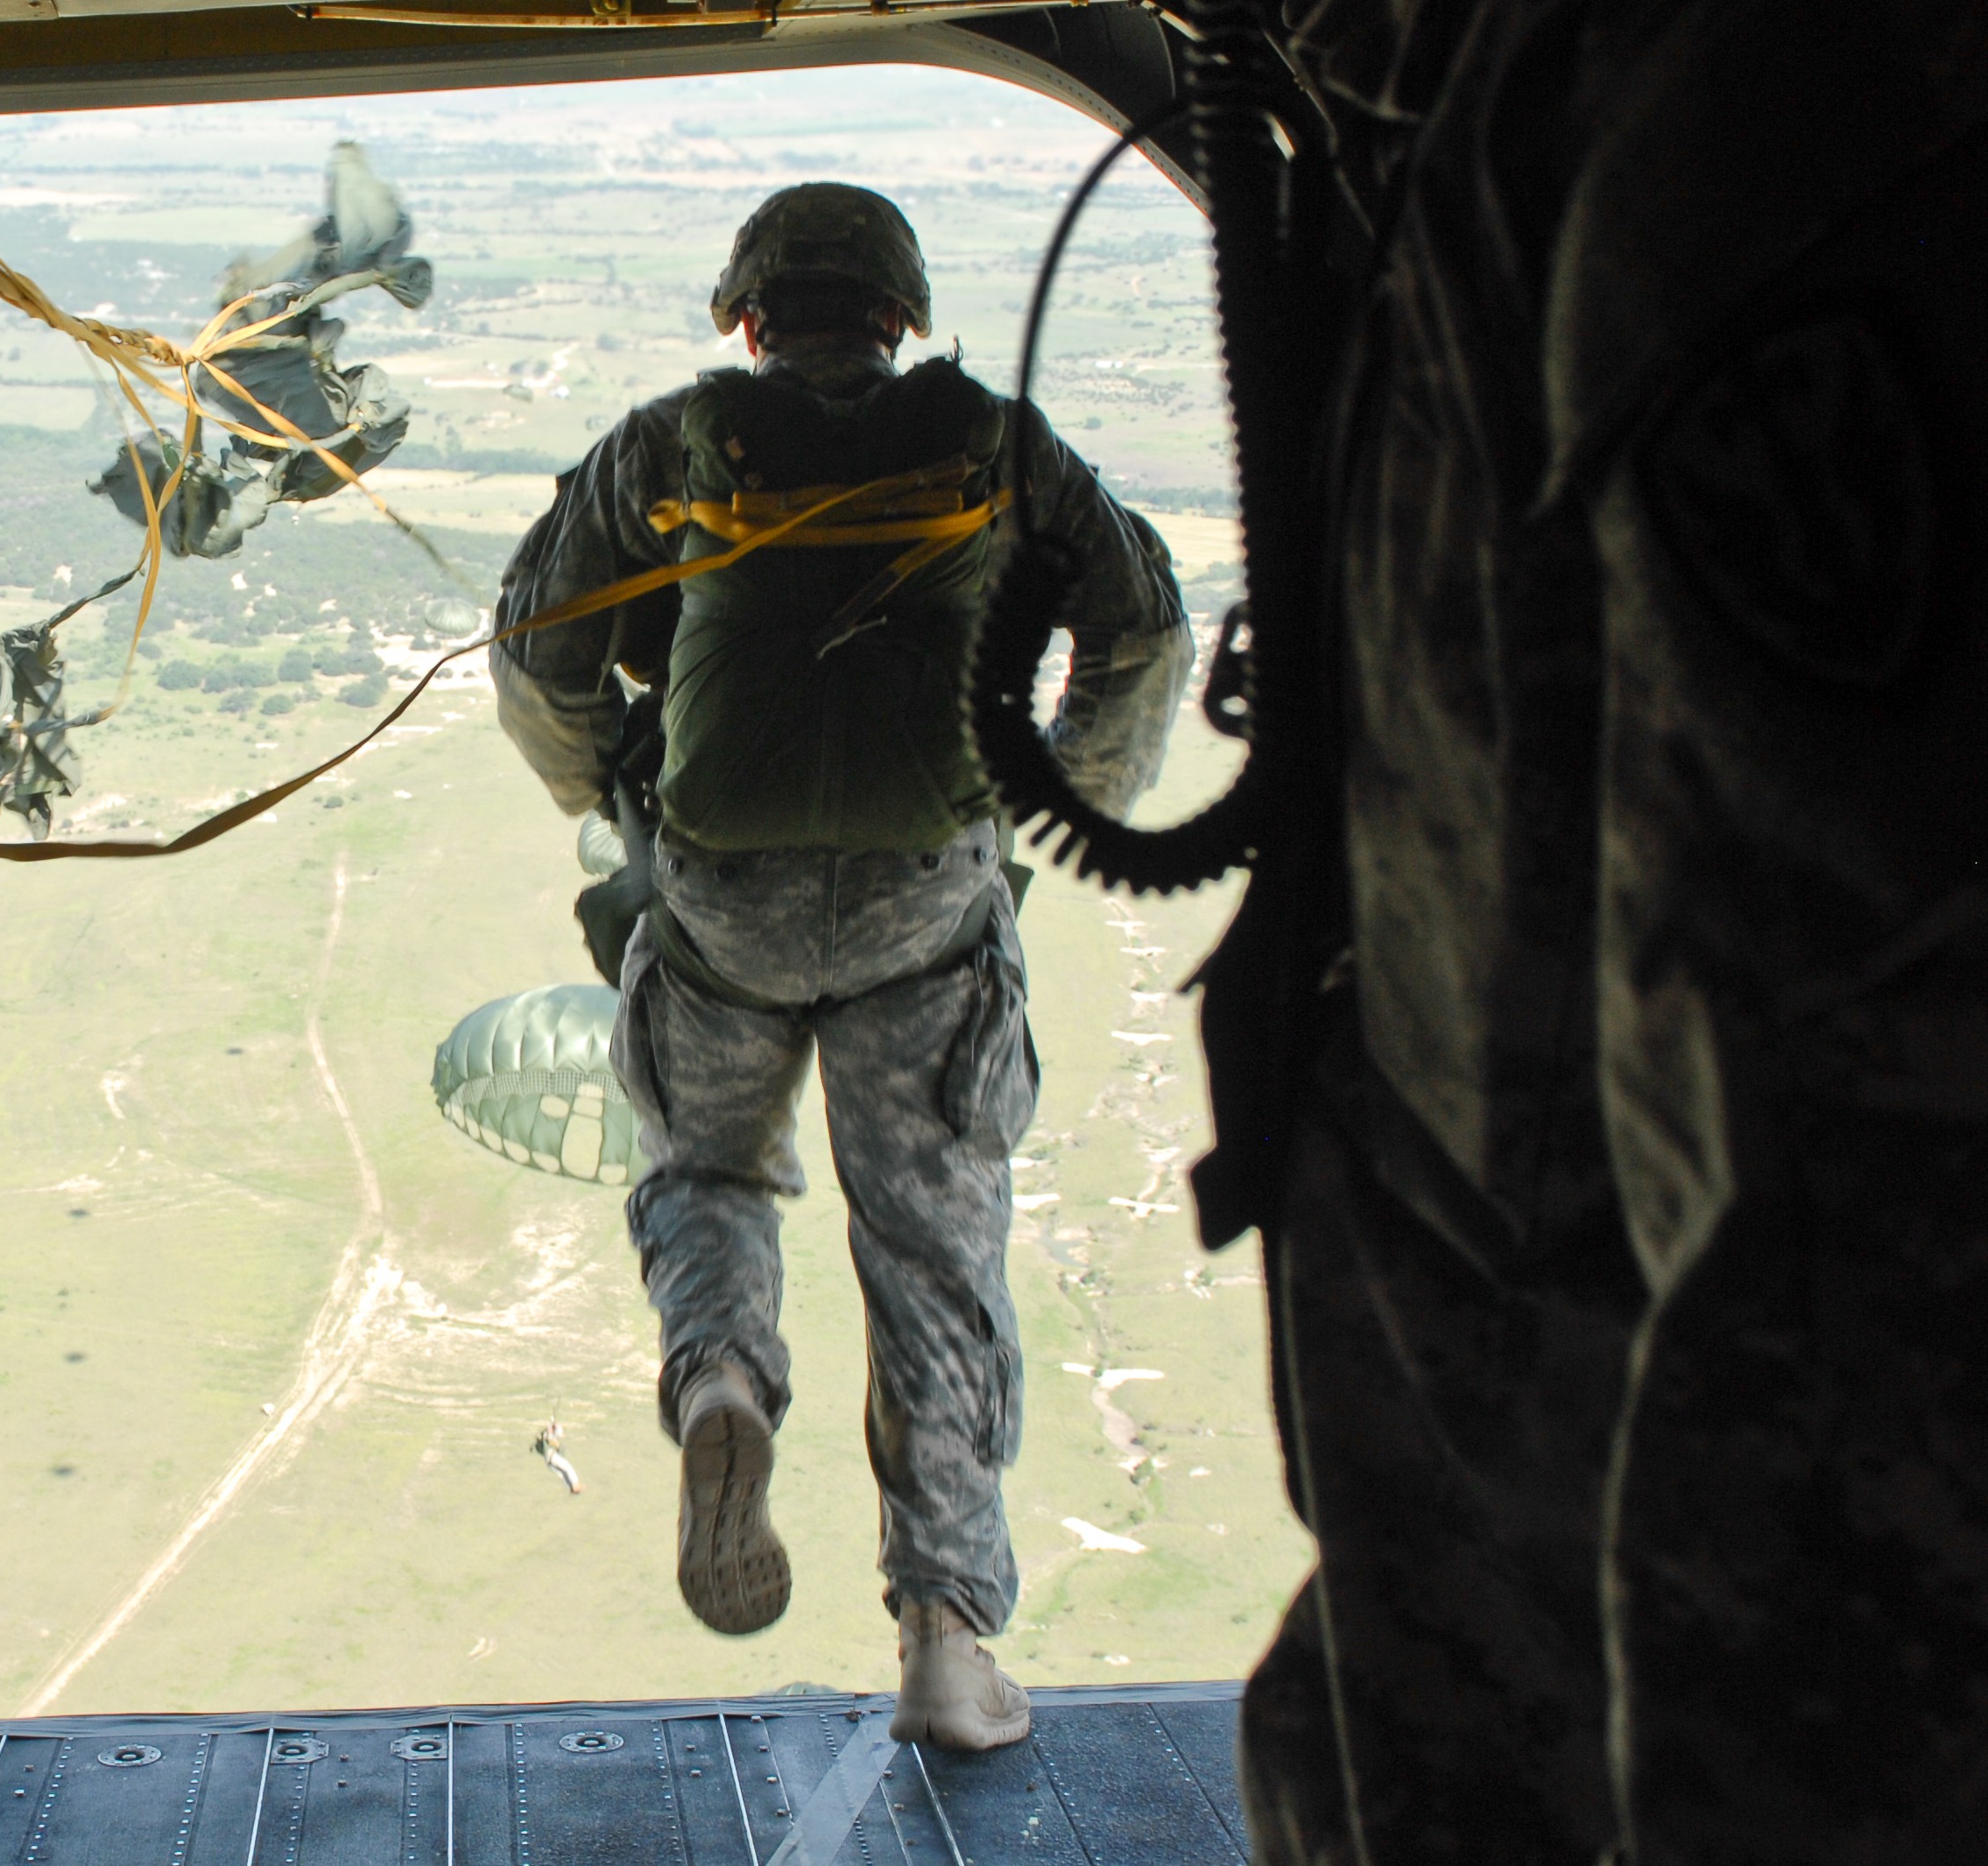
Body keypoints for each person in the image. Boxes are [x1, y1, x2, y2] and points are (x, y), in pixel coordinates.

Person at [1210, 4, 1988, 1860]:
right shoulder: (1480, 127)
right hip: (1466, 1581)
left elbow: (1855, 1351)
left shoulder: (1756, 121)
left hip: (1587, 1662)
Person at [490, 182, 1189, 1749]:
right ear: (901, 315)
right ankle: (945, 1643)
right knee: (934, 1256)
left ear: (748, 317)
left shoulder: (672, 442)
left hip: (722, 897)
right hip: (928, 899)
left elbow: (536, 655)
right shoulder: (996, 445)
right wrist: (1048, 808)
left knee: (710, 1175)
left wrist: (622, 799)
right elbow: (1140, 623)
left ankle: (725, 1373)